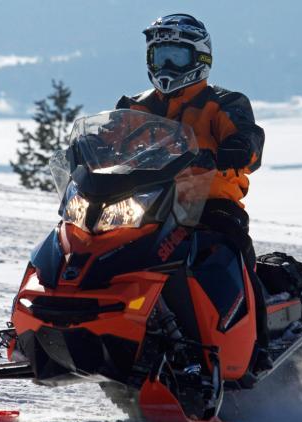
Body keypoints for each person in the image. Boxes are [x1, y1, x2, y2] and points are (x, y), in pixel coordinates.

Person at [115, 13, 270, 367]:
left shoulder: (224, 103)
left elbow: (249, 139)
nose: (166, 64)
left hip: (209, 203)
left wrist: (239, 148)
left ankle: (256, 346)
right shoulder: (134, 107)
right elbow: (110, 141)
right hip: (147, 202)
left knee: (231, 248)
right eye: (160, 55)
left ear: (200, 58)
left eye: (176, 55)